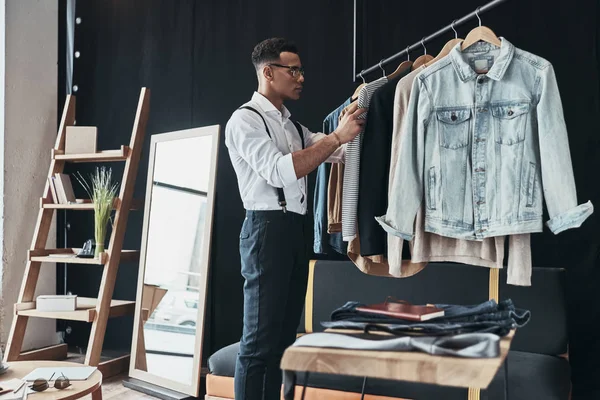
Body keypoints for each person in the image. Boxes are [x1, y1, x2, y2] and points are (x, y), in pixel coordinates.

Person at [224, 37, 365, 400]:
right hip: (265, 231)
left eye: (301, 70)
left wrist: (362, 120)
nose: (301, 77)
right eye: (294, 70)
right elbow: (279, 171)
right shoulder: (244, 120)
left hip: (294, 231)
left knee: (284, 338)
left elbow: (340, 152)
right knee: (258, 342)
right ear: (268, 72)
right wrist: (336, 137)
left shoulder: (292, 126)